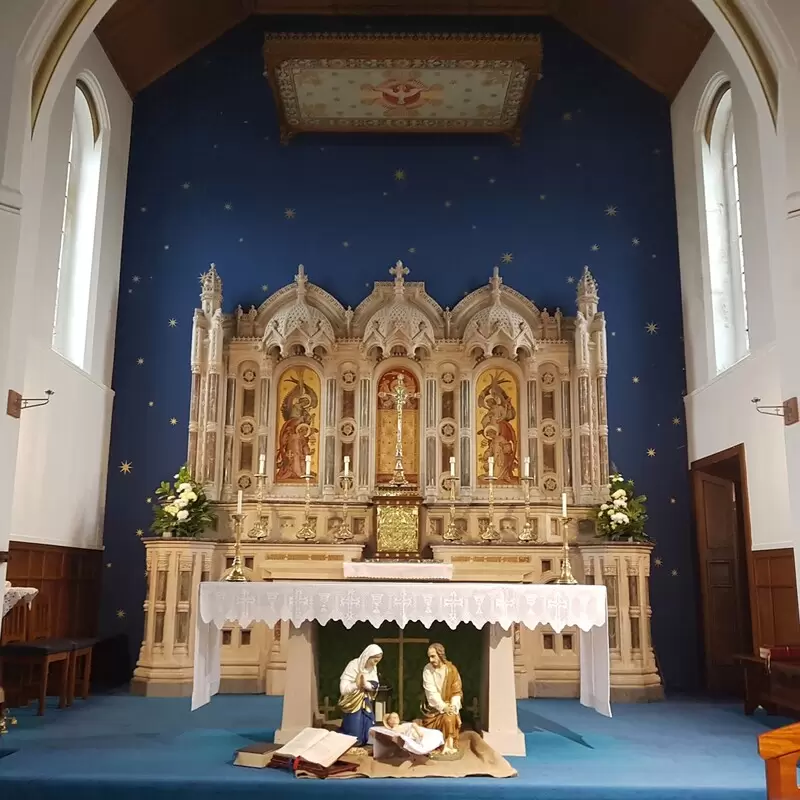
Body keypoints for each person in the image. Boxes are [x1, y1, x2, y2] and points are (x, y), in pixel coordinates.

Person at [421, 642, 463, 754]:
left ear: (440, 655)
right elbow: (431, 693)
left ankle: (449, 746)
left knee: (449, 717)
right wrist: (443, 707)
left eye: (433, 656)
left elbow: (456, 691)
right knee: (445, 716)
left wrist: (453, 707)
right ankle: (440, 746)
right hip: (434, 709)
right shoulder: (427, 669)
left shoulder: (451, 670)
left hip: (449, 706)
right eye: (429, 656)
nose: (430, 659)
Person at [337, 644, 383, 745]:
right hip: (353, 703)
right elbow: (343, 689)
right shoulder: (353, 665)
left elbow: (375, 685)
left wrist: (365, 684)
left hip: (365, 702)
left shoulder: (373, 668)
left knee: (368, 728)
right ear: (368, 656)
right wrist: (356, 685)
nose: (375, 664)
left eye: (377, 661)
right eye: (374, 661)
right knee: (354, 731)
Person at [369, 712, 444, 758]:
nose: (396, 719)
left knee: (435, 733)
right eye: (394, 718)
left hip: (416, 732)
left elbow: (413, 725)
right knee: (417, 738)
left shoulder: (403, 725)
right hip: (411, 737)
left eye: (397, 717)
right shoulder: (392, 731)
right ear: (389, 721)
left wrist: (418, 732)